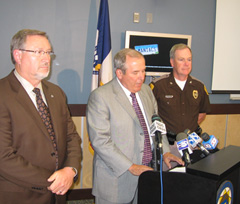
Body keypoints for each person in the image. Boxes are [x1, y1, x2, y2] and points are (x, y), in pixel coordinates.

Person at [86, 48, 184, 204]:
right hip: (116, 177)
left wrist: (165, 151)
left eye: (143, 71)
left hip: (147, 173)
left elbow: (157, 125)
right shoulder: (101, 97)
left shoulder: (146, 91)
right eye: (135, 73)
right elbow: (100, 141)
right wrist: (130, 166)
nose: (141, 78)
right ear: (119, 73)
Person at [0, 29, 81, 204]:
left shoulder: (56, 93)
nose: (46, 58)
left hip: (57, 196)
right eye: (38, 52)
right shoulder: (2, 94)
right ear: (18, 55)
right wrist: (53, 180)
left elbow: (71, 138)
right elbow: (3, 157)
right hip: (19, 195)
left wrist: (70, 170)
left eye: (48, 52)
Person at [150, 44, 211, 162]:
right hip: (168, 147)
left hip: (193, 145)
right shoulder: (158, 86)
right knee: (169, 179)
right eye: (181, 60)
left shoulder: (199, 86)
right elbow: (149, 116)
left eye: (189, 59)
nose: (186, 64)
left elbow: (202, 114)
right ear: (172, 62)